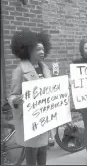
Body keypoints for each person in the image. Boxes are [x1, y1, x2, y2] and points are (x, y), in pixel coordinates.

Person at [8, 30, 53, 166]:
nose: (41, 51)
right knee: (32, 150)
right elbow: (12, 95)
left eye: (43, 49)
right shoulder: (19, 70)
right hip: (29, 118)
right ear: (28, 50)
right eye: (38, 48)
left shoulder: (45, 68)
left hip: (43, 116)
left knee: (43, 148)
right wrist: (16, 101)